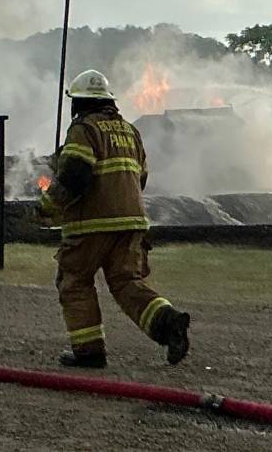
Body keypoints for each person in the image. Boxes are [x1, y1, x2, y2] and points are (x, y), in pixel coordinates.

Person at [39, 69, 190, 368]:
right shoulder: (130, 132)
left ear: (79, 103)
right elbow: (141, 177)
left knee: (74, 282)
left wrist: (46, 208)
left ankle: (89, 352)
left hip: (91, 225)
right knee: (126, 282)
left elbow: (74, 178)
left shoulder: (84, 130)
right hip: (132, 222)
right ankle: (168, 322)